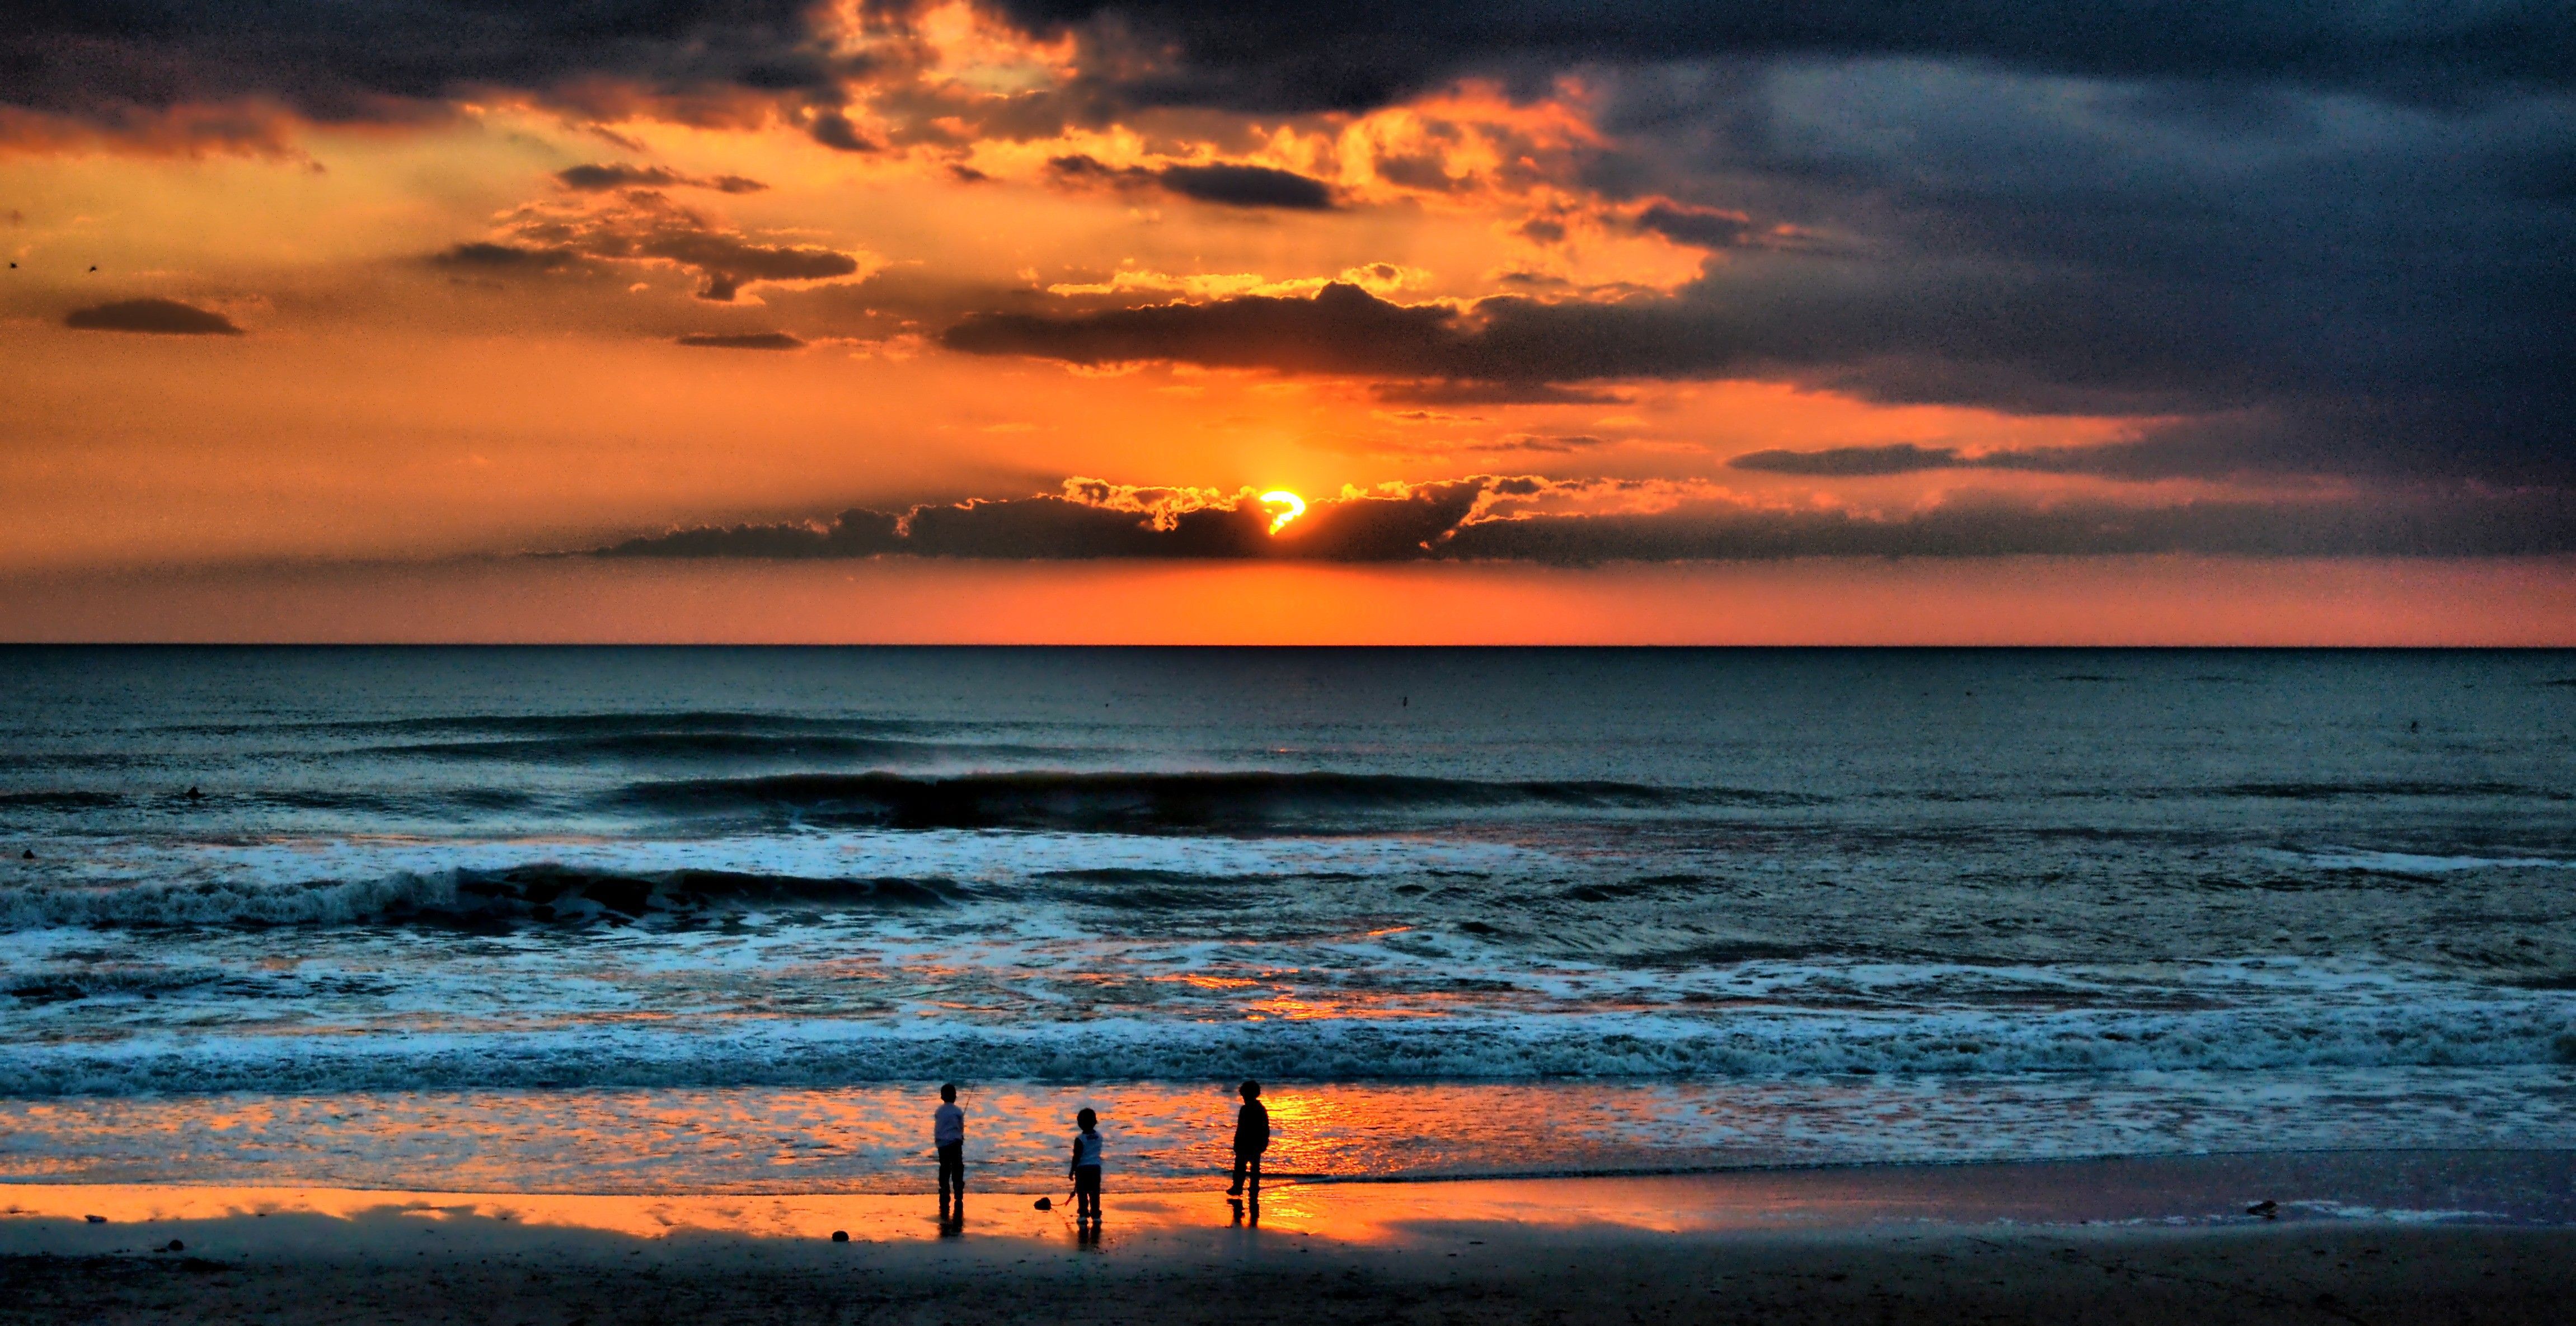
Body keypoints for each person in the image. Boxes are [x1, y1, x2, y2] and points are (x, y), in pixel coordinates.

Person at [1227, 1080, 1270, 1196]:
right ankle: (1248, 1187)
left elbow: (1242, 1128)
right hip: (1252, 1143)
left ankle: (1243, 1187)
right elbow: (1265, 1128)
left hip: (1250, 1143)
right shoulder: (1257, 1109)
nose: (1243, 1098)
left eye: (1244, 1096)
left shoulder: (1250, 1109)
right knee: (1250, 1167)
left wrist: (1237, 1142)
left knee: (1243, 1167)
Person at [933, 1083, 965, 1217]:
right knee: (957, 1167)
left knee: (945, 1167)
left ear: (942, 1097)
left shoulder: (939, 1111)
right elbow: (961, 1128)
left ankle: (944, 1190)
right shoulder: (958, 1111)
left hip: (942, 1144)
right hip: (955, 1143)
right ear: (955, 1097)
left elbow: (938, 1127)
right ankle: (958, 1191)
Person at [1068, 1107, 1104, 1225]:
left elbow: (1076, 1156)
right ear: (1094, 1122)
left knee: (1082, 1192)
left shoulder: (1080, 1139)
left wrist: (1072, 1171)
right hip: (1095, 1168)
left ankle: (1083, 1214)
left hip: (1082, 1169)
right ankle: (1096, 1215)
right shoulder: (1099, 1136)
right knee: (1095, 1193)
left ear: (1080, 1124)